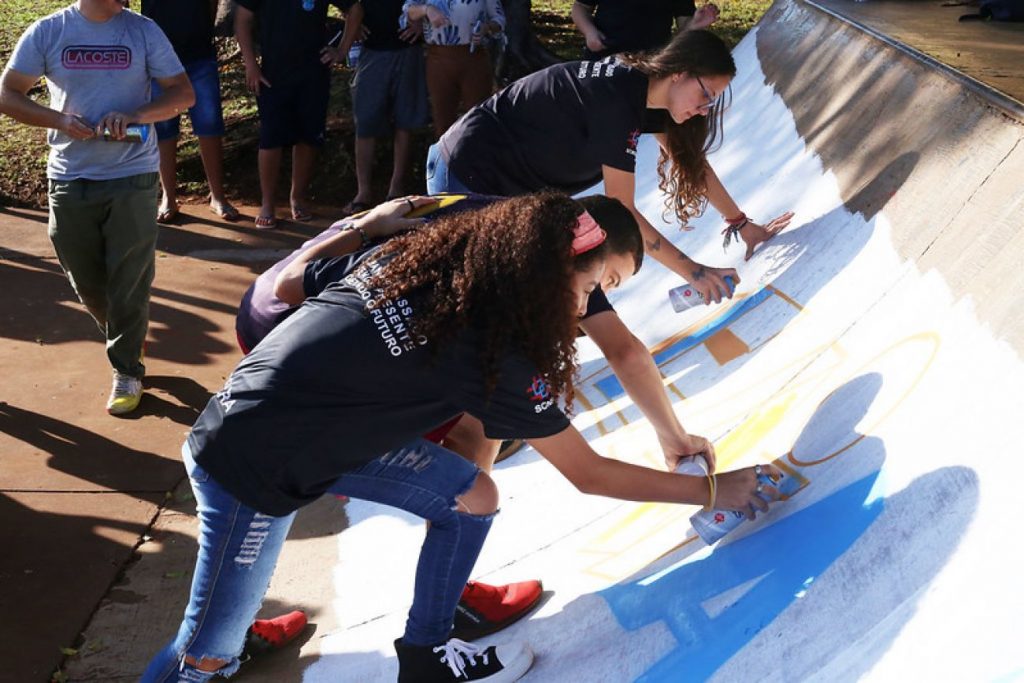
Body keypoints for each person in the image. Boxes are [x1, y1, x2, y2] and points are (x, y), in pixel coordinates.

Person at [142, 192, 782, 682]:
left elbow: (285, 285)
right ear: (550, 265)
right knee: (202, 658)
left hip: (285, 425)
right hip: (252, 463)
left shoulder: (430, 252)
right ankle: (218, 645)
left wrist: (363, 233)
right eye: (593, 288)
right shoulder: (496, 348)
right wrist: (709, 491)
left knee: (473, 494)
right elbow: (588, 474)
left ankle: (423, 657)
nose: (586, 309)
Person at [428, 29, 794, 303]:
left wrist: (741, 224)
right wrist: (695, 273)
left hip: (496, 177)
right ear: (679, 72)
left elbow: (691, 164)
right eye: (705, 96)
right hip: (468, 171)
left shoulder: (643, 88)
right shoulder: (618, 103)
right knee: (489, 298)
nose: (704, 109)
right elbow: (622, 213)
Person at [0, 0, 194, 415]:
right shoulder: (49, 31)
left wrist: (137, 114)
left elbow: (183, 93)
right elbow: (8, 93)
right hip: (70, 176)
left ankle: (126, 368)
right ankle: (126, 329)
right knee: (84, 277)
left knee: (128, 278)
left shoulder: (143, 31)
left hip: (134, 176)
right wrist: (59, 121)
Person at [234, 0, 343, 228]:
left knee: (308, 137)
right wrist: (251, 64)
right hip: (272, 74)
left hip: (314, 74)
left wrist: (341, 50)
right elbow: (242, 18)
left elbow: (355, 10)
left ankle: (298, 198)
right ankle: (267, 204)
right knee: (270, 138)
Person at [141, 0, 240, 223]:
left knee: (209, 125)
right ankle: (169, 197)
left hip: (199, 52)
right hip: (157, 56)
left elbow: (211, 5)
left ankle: (217, 196)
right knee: (164, 127)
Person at [336, 0, 431, 215]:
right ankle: (363, 193)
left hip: (408, 49)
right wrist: (352, 21)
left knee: (405, 120)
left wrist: (421, 23)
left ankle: (396, 190)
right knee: (366, 121)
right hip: (372, 49)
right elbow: (350, 5)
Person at [401, 0, 506, 137]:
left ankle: (477, 156)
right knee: (443, 121)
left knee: (478, 119)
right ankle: (446, 157)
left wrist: (486, 27)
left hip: (474, 59)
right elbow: (408, 11)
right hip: (439, 60)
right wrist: (426, 9)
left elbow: (499, 19)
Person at [571, 0, 720, 59]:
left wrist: (695, 24)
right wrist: (590, 32)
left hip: (649, 66)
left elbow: (683, 29)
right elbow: (580, 7)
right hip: (603, 59)